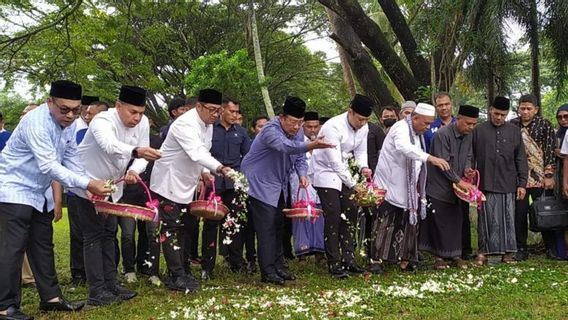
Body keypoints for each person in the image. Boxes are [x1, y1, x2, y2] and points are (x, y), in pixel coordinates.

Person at [0, 80, 112, 320]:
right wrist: (89, 184)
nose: (71, 115)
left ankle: (50, 298)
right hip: (14, 187)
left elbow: (72, 159)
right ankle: (5, 306)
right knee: (13, 247)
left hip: (39, 192)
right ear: (49, 101)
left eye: (76, 109)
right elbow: (50, 165)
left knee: (43, 243)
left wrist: (88, 188)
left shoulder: (68, 124)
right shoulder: (35, 122)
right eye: (64, 109)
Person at [74, 85, 161, 306]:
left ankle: (111, 284)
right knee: (93, 237)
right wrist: (135, 152)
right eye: (133, 112)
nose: (137, 118)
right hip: (87, 185)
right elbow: (109, 145)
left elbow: (144, 154)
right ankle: (97, 291)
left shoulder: (141, 122)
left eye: (141, 113)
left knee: (109, 234)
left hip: (113, 188)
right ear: (118, 105)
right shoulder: (102, 120)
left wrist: (134, 169)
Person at [241, 96, 334, 285]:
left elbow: (299, 156)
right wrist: (312, 145)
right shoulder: (269, 130)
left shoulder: (298, 132)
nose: (296, 127)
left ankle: (278, 266)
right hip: (260, 181)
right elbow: (286, 146)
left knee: (278, 226)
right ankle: (267, 272)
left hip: (278, 183)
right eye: (293, 122)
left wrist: (302, 174)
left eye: (300, 123)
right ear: (281, 117)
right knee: (266, 228)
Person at [150, 88, 233, 291]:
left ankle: (184, 269)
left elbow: (203, 150)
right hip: (168, 181)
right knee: (171, 229)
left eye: (218, 111)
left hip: (187, 182)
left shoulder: (208, 124)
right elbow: (195, 152)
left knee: (186, 228)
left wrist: (205, 171)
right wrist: (219, 167)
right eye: (211, 110)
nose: (215, 115)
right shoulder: (184, 124)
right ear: (198, 106)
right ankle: (176, 275)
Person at [371, 103, 450, 273]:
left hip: (408, 187)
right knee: (385, 222)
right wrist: (430, 158)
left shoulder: (416, 132)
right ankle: (376, 259)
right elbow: (403, 147)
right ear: (414, 118)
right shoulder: (400, 128)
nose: (428, 127)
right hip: (390, 183)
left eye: (430, 124)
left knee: (407, 223)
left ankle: (404, 259)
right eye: (426, 123)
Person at [312, 94, 375, 279]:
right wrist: (354, 184)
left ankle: (349, 258)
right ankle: (334, 262)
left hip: (345, 172)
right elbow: (334, 162)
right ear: (350, 112)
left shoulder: (364, 127)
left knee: (350, 213)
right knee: (333, 215)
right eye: (360, 119)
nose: (363, 123)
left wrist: (363, 167)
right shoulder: (333, 127)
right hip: (326, 171)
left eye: (366, 120)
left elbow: (361, 151)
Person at [419, 105, 479, 269]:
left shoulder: (469, 135)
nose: (471, 127)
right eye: (468, 123)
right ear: (458, 119)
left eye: (474, 124)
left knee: (456, 221)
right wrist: (459, 181)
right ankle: (439, 258)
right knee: (440, 222)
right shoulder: (441, 135)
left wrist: (468, 170)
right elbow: (442, 163)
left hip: (457, 188)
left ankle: (455, 255)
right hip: (439, 186)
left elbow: (468, 156)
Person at [472, 96, 528, 266]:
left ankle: (508, 254)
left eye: (503, 115)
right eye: (496, 113)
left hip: (508, 182)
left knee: (508, 219)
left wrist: (522, 183)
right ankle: (483, 253)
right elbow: (471, 155)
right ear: (490, 110)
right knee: (486, 220)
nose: (499, 118)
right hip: (485, 181)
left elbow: (521, 158)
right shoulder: (478, 130)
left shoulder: (513, 131)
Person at [201, 97, 251, 280]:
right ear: (221, 110)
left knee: (235, 223)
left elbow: (249, 155)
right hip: (214, 181)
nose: (235, 115)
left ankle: (235, 261)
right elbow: (202, 153)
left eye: (237, 112)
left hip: (234, 181)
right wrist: (205, 173)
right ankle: (207, 265)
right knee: (211, 224)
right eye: (232, 111)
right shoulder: (209, 130)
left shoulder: (242, 132)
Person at [510, 94, 557, 260]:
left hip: (540, 178)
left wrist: (549, 175)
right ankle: (521, 248)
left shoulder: (544, 125)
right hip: (519, 179)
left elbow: (551, 150)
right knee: (519, 214)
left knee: (544, 212)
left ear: (536, 109)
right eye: (522, 108)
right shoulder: (512, 125)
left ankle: (550, 248)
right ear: (518, 108)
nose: (525, 111)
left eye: (529, 108)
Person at [68, 99, 109, 287]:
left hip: (105, 191)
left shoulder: (108, 133)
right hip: (81, 190)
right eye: (85, 113)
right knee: (82, 235)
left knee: (106, 234)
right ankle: (80, 274)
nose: (86, 116)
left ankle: (107, 275)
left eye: (90, 114)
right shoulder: (77, 131)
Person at [289, 111, 326, 265]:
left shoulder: (324, 142)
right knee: (301, 216)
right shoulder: (297, 142)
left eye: (315, 126)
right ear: (303, 126)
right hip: (300, 182)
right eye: (309, 126)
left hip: (318, 183)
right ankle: (302, 253)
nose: (312, 130)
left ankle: (319, 253)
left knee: (318, 217)